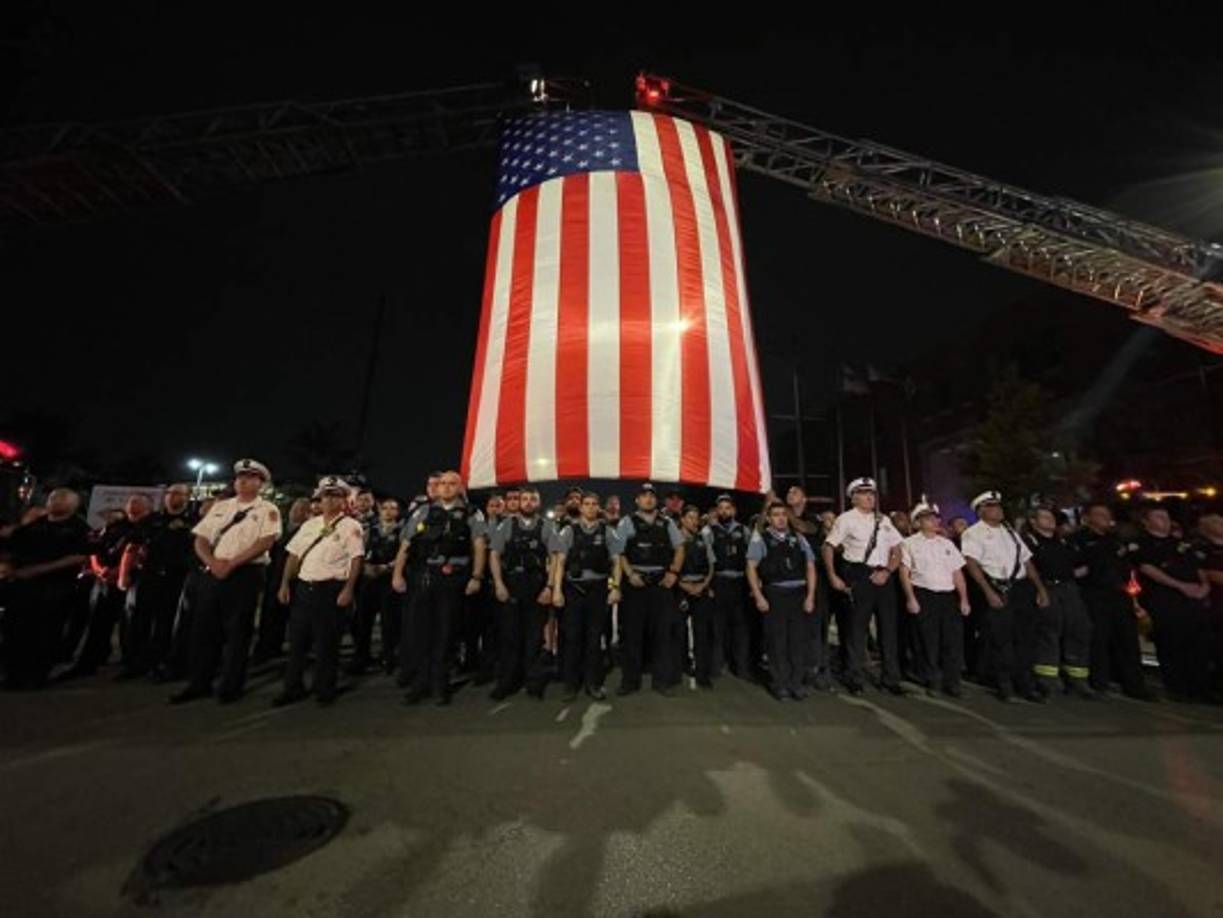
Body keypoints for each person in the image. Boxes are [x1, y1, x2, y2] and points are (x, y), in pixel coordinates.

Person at [171, 459, 282, 705]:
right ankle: (199, 682)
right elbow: (201, 538)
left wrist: (231, 564)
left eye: (250, 477)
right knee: (204, 629)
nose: (242, 481)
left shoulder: (268, 510)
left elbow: (264, 543)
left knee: (238, 631)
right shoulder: (221, 507)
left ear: (260, 483)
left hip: (245, 574)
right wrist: (212, 563)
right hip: (213, 571)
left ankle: (231, 685)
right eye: (240, 477)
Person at [391, 470, 485, 706]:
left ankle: (440, 685)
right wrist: (397, 574)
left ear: (460, 487)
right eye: (442, 483)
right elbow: (406, 544)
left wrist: (476, 577)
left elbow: (479, 546)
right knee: (421, 631)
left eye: (452, 483)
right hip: (424, 576)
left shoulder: (472, 513)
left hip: (454, 577)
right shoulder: (422, 511)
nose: (446, 487)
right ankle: (420, 684)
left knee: (446, 633)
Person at [273, 477, 365, 707]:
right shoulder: (309, 525)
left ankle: (325, 688)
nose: (330, 500)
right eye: (326, 496)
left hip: (331, 589)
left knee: (326, 643)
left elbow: (356, 559)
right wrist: (285, 583)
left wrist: (348, 589)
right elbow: (293, 556)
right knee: (297, 642)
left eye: (336, 496)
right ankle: (292, 687)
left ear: (344, 500)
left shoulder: (350, 526)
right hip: (305, 587)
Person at [960, 490, 1051, 703]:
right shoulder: (973, 533)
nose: (999, 510)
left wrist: (1040, 588)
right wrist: (988, 592)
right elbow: (972, 564)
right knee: (1001, 641)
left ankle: (1025, 684)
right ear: (981, 510)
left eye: (999, 506)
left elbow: (1026, 562)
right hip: (998, 588)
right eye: (993, 506)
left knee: (1025, 639)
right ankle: (1004, 685)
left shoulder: (1010, 531)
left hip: (1021, 589)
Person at [821, 477, 906, 696]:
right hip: (860, 575)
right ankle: (854, 677)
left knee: (888, 630)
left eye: (873, 493)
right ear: (854, 497)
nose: (870, 497)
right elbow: (829, 547)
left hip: (884, 577)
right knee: (856, 631)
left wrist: (888, 570)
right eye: (865, 493)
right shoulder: (846, 519)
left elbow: (898, 549)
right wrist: (832, 575)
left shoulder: (884, 520)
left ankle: (890, 678)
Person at [1, 489, 90, 689]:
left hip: (54, 588)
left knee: (44, 634)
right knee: (15, 630)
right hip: (22, 586)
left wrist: (39, 570)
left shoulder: (78, 528)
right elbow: (12, 541)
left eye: (61, 498)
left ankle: (35, 676)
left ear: (73, 505)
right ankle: (13, 674)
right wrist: (8, 564)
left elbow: (78, 557)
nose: (54, 501)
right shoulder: (37, 525)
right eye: (52, 497)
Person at [117, 484, 197, 679]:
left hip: (176, 578)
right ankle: (134, 663)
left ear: (188, 497)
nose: (172, 497)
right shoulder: (151, 520)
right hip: (148, 575)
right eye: (169, 493)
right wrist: (124, 575)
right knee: (137, 620)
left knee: (166, 622)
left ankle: (159, 662)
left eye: (178, 493)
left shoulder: (194, 522)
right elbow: (132, 547)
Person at [1133, 504, 1211, 700]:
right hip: (1164, 600)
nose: (1164, 521)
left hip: (1192, 600)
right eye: (1158, 517)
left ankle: (1200, 688)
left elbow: (1199, 567)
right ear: (1146, 521)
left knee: (1198, 645)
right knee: (1171, 644)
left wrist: (1204, 587)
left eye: (1166, 517)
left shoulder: (1182, 544)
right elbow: (1147, 568)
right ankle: (1177, 688)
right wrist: (1180, 586)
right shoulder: (1143, 544)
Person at [1072, 502, 1150, 699]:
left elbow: (1129, 567)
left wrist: (1134, 596)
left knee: (1127, 640)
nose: (1104, 518)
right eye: (1099, 514)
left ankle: (1134, 685)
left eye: (1107, 514)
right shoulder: (1079, 539)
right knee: (1099, 639)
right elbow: (1076, 568)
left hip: (1120, 594)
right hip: (1094, 595)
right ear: (1088, 517)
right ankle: (1100, 683)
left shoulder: (1116, 539)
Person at [550, 491, 623, 701]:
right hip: (573, 590)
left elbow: (617, 562)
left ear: (598, 508)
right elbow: (560, 563)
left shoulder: (607, 531)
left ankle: (593, 683)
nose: (590, 507)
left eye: (594, 504)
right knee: (572, 639)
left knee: (594, 640)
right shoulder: (568, 531)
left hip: (598, 590)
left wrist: (616, 587)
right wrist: (556, 590)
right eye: (586, 504)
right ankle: (571, 685)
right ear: (581, 508)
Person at [615, 483, 684, 696]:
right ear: (637, 500)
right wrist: (630, 574)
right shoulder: (627, 522)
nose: (648, 499)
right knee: (632, 635)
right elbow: (619, 553)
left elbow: (680, 548)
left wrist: (673, 572)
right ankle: (630, 681)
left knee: (662, 635)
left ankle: (661, 681)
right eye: (644, 496)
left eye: (652, 496)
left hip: (660, 585)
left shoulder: (667, 523)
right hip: (635, 585)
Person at [898, 500, 971, 697]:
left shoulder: (946, 544)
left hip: (947, 596)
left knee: (953, 641)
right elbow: (904, 573)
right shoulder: (908, 544)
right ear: (917, 522)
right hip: (924, 594)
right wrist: (910, 598)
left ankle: (953, 682)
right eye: (928, 518)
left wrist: (963, 599)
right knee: (928, 641)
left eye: (935, 517)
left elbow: (957, 573)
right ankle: (932, 680)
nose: (934, 521)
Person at [488, 486, 555, 700]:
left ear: (538, 502)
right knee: (510, 636)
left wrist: (550, 587)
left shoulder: (547, 526)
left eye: (532, 499)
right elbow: (494, 555)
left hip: (536, 586)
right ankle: (508, 681)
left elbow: (555, 559)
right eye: (524, 499)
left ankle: (533, 682)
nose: (527, 502)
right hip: (512, 584)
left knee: (535, 638)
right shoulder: (507, 525)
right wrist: (499, 584)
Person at [747, 500, 817, 701]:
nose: (780, 518)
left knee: (797, 641)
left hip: (798, 594)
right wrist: (759, 595)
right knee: (777, 642)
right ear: (769, 518)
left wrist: (810, 595)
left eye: (783, 514)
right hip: (775, 595)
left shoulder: (798, 537)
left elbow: (810, 566)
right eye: (776, 514)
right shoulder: (761, 538)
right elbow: (751, 567)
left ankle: (796, 683)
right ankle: (781, 684)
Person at [1023, 504, 1093, 700]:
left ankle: (1078, 678)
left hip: (1069, 589)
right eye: (1044, 517)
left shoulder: (1064, 541)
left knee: (1079, 630)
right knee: (1049, 631)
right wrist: (1040, 590)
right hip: (1048, 588)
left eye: (1051, 517)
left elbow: (1080, 562)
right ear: (1034, 522)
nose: (1050, 520)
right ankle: (1047, 679)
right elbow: (1031, 568)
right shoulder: (1030, 542)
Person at [350, 496, 404, 674]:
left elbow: (405, 554)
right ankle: (361, 657)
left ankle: (388, 657)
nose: (389, 511)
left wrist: (386, 567)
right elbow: (359, 550)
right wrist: (366, 567)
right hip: (369, 579)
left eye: (393, 508)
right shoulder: (370, 530)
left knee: (389, 622)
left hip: (388, 579)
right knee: (363, 620)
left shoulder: (402, 530)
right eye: (385, 508)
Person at [704, 494, 752, 681]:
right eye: (721, 508)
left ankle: (741, 666)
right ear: (717, 511)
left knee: (741, 628)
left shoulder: (744, 531)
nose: (724, 511)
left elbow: (751, 560)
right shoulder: (709, 532)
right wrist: (709, 585)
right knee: (718, 627)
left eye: (727, 508)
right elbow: (707, 560)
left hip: (739, 583)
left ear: (734, 510)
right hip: (719, 582)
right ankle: (717, 665)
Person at [676, 504, 717, 688]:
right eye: (690, 517)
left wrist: (703, 585)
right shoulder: (674, 538)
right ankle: (680, 666)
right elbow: (669, 567)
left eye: (696, 517)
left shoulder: (703, 538)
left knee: (702, 633)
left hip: (701, 589)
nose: (694, 521)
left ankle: (702, 674)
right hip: (680, 589)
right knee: (678, 632)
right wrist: (685, 586)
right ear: (682, 519)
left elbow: (711, 565)